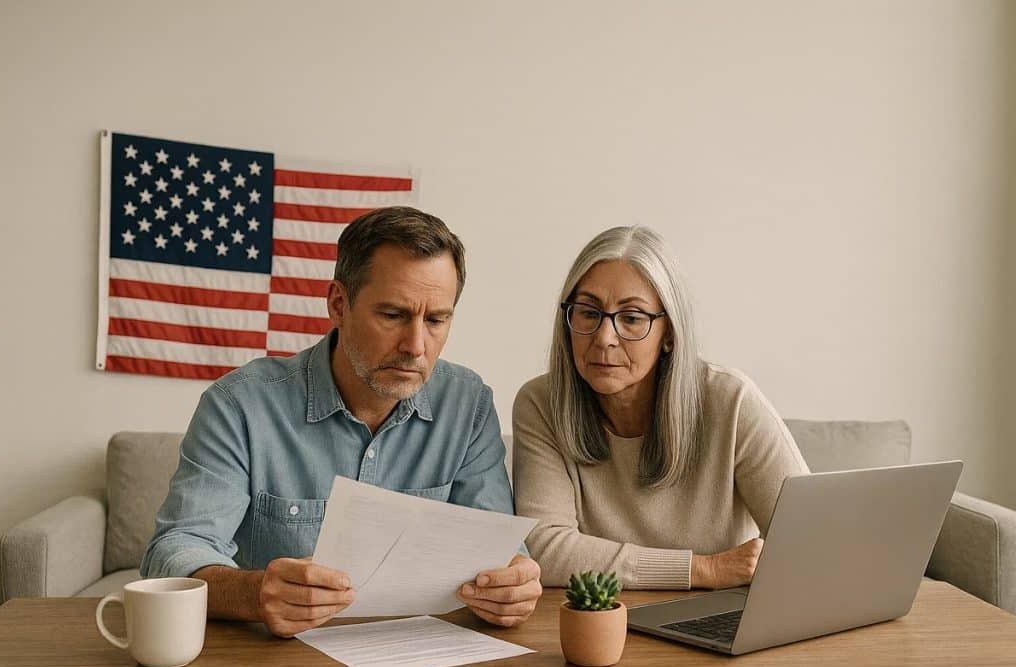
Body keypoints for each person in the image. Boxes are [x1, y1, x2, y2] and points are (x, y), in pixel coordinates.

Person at [142, 206, 542, 636]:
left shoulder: (469, 404)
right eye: (392, 315)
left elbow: (501, 549)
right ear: (338, 304)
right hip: (274, 659)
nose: (415, 345)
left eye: (437, 320)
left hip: (420, 654)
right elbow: (176, 550)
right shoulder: (240, 404)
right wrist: (254, 593)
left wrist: (512, 584)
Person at [513, 225, 809, 590]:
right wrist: (703, 570)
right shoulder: (540, 404)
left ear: (669, 333)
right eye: (588, 313)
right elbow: (544, 549)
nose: (605, 339)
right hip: (604, 623)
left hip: (717, 620)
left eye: (632, 318)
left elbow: (807, 542)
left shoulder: (732, 402)